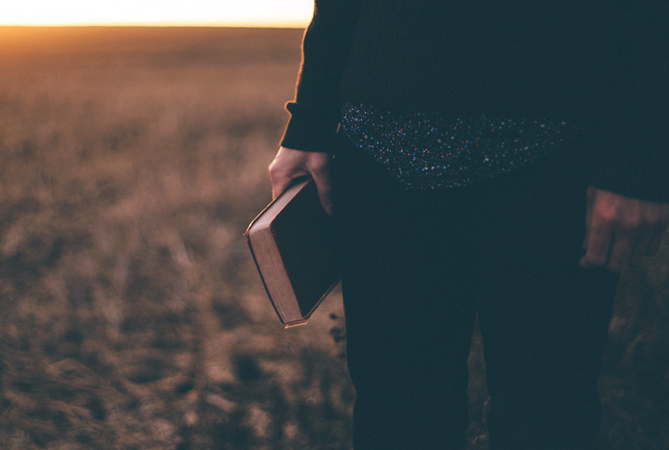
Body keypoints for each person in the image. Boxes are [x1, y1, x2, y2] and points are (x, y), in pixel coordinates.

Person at [268, 1, 669, 449]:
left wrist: (640, 155)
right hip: (377, 151)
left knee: (547, 415)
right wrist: (310, 121)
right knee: (396, 417)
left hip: (554, 160)